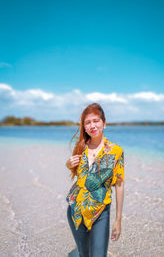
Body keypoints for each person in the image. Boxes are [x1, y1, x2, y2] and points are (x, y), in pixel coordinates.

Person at [66, 103, 125, 257]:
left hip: (101, 212)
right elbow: (76, 174)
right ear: (84, 127)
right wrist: (68, 163)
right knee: (84, 254)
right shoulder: (80, 147)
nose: (92, 125)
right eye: (88, 122)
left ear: (104, 123)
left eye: (96, 121)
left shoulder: (116, 151)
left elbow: (119, 185)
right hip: (76, 210)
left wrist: (118, 220)